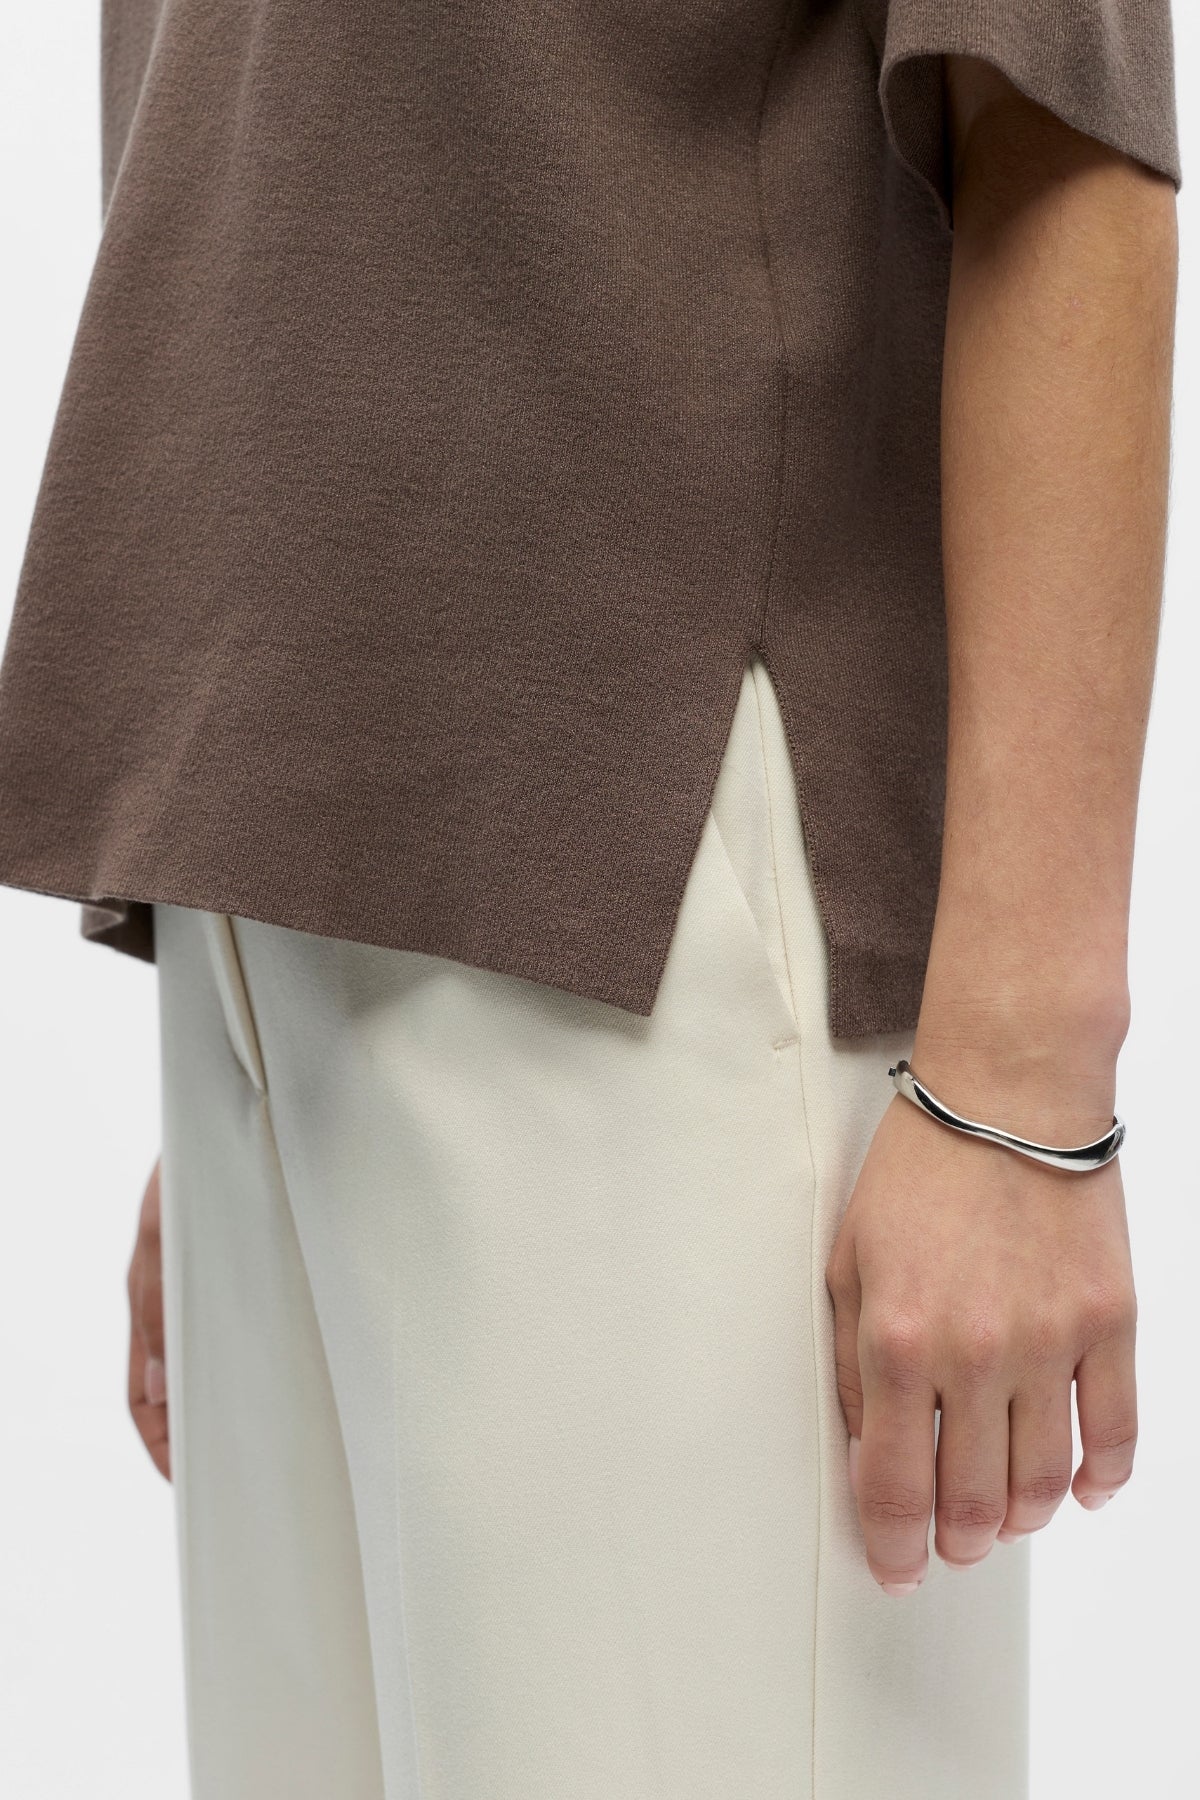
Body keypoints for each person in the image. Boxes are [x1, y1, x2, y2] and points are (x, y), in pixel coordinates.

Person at [0, 4, 1181, 1796]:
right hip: (297, 908)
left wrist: (1023, 1077)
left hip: (652, 861)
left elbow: (1060, 123)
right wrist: (265, 972)